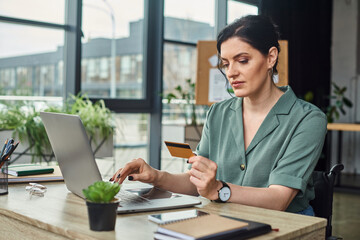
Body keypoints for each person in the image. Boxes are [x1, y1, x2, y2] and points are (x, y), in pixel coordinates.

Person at [111, 15, 327, 216]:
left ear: (271, 57)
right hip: (224, 218)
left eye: (242, 60)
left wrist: (218, 190)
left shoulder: (307, 120)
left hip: (286, 225)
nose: (231, 72)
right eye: (226, 63)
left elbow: (278, 199)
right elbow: (196, 183)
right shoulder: (218, 113)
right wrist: (156, 176)